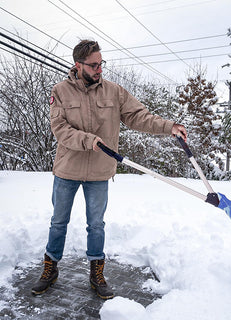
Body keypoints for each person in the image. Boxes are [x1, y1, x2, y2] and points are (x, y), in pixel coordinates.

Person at [31, 40, 187, 299]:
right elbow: (60, 129)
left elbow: (139, 116)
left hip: (100, 172)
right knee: (58, 222)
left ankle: (97, 272)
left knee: (97, 225)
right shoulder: (60, 91)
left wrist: (168, 126)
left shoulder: (114, 91)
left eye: (101, 63)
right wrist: (88, 140)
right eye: (93, 65)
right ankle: (50, 268)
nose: (99, 69)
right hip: (67, 170)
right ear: (78, 65)